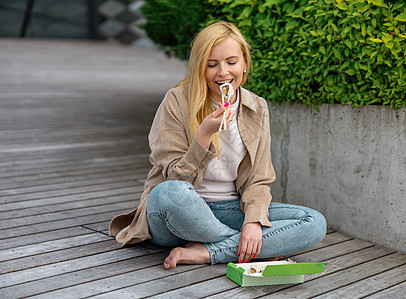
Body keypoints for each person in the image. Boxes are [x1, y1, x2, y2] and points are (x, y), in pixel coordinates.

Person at [109, 21, 326, 269]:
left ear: (245, 64)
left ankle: (207, 252)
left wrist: (253, 222)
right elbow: (175, 179)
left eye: (231, 62)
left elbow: (258, 179)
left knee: (313, 221)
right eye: (212, 65)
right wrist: (203, 136)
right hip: (177, 212)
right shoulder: (176, 101)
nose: (223, 73)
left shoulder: (257, 107)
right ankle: (249, 249)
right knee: (168, 192)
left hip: (229, 209)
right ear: (200, 68)